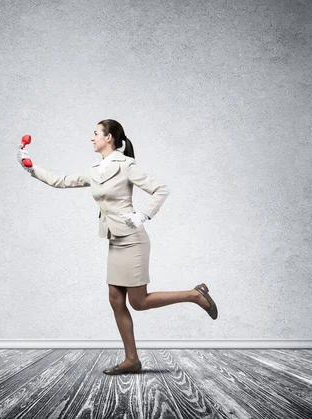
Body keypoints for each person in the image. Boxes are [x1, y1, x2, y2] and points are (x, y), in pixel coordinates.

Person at [16, 119, 218, 375]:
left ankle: (195, 295)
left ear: (109, 137)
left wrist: (144, 214)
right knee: (115, 299)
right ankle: (131, 360)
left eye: (96, 133)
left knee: (139, 301)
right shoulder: (95, 169)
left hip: (133, 239)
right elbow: (61, 180)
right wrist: (32, 168)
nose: (92, 138)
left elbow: (160, 189)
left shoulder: (126, 165)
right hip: (115, 240)